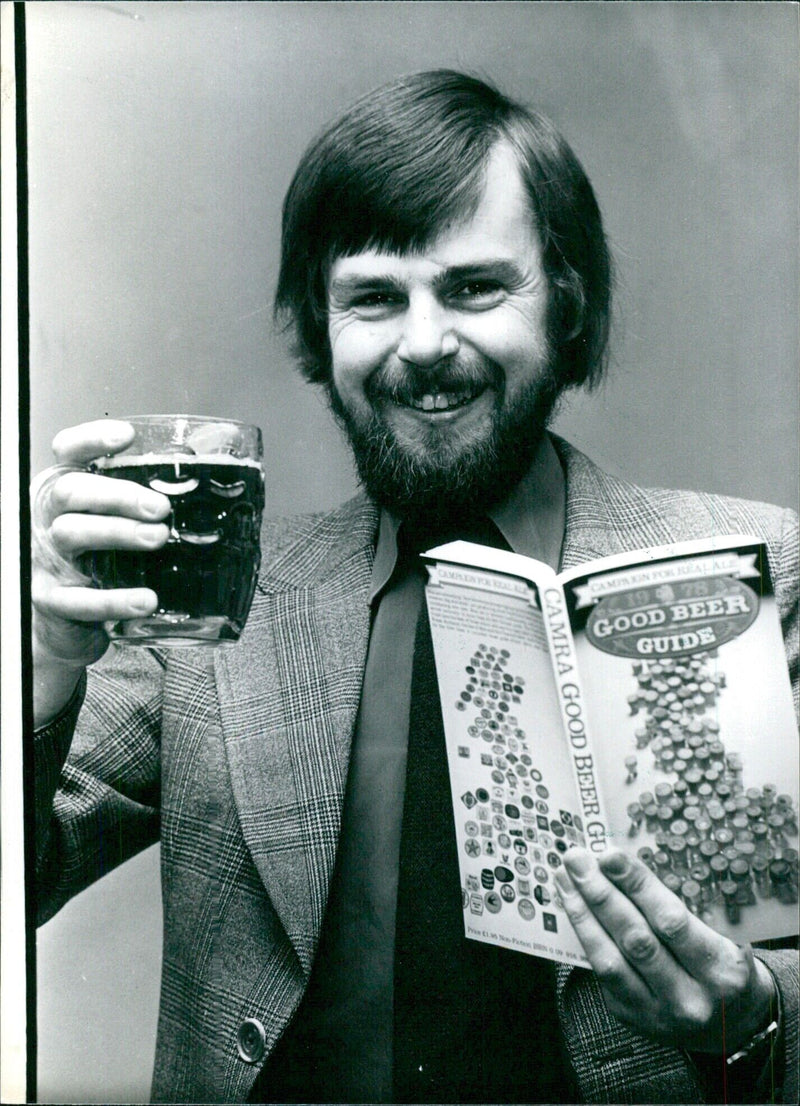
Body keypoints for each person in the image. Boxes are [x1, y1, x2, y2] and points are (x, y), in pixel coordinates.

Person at [31, 70, 798, 1104]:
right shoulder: (212, 608)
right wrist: (37, 663)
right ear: (321, 325)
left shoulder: (761, 572)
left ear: (564, 301)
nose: (424, 343)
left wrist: (755, 1014)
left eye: (475, 286)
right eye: (374, 298)